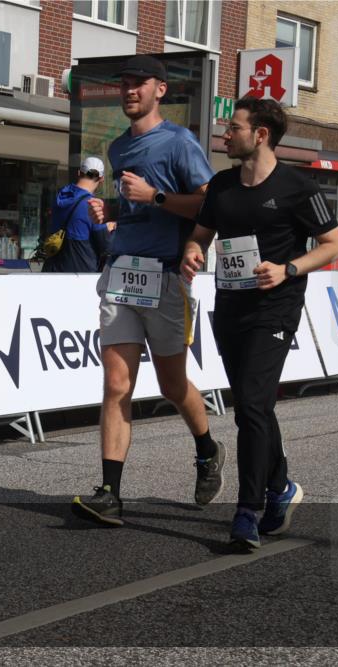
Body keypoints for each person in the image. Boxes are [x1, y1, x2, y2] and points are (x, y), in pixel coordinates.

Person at [181, 98, 338, 549]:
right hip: (230, 306)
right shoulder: (221, 186)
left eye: (232, 128)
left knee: (252, 407)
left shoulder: (297, 187)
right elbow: (200, 236)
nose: (224, 135)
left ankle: (247, 511)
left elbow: (334, 244)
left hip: (275, 308)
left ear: (261, 135)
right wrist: (192, 253)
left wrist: (288, 269)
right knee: (255, 406)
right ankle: (282, 486)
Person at [72, 55, 224, 526]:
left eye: (138, 84)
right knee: (117, 383)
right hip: (121, 273)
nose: (129, 91)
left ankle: (207, 448)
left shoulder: (178, 142)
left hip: (163, 277)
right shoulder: (118, 148)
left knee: (172, 384)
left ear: (161, 89)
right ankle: (110, 493)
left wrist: (154, 198)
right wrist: (113, 214)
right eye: (124, 84)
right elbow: (136, 207)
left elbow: (209, 203)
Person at [42, 156, 117, 273]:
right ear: (101, 179)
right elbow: (106, 245)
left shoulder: (60, 197)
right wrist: (111, 228)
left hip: (53, 272)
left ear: (79, 173)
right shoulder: (92, 205)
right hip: (79, 275)